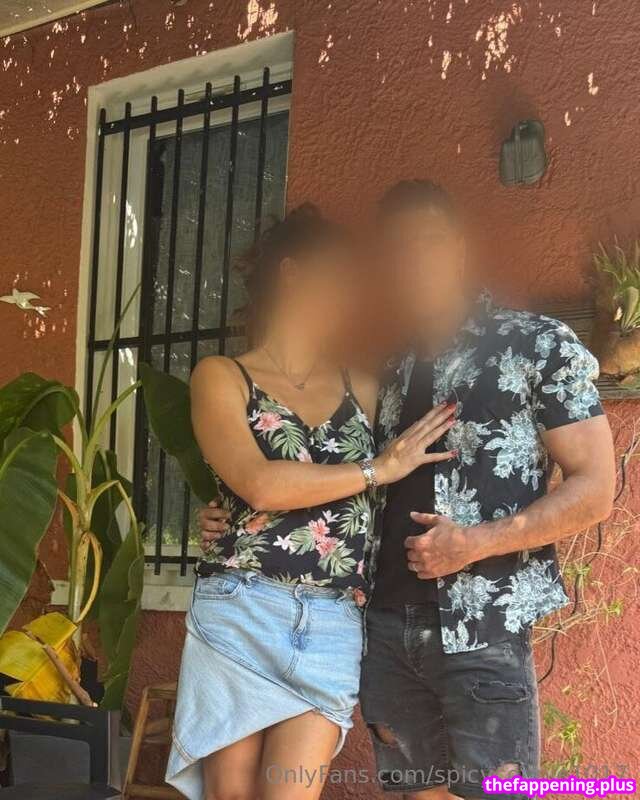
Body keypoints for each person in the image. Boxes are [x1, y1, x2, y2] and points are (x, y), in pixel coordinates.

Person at [199, 182, 616, 800]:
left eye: (429, 241)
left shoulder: (535, 343)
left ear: (459, 248)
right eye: (398, 248)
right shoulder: (387, 373)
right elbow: (323, 473)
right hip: (385, 631)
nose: (415, 259)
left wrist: (475, 543)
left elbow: (597, 489)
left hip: (482, 628)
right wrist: (229, 514)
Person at [166, 203, 458, 800]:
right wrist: (376, 468)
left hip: (332, 619)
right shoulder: (221, 376)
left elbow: (407, 480)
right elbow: (259, 484)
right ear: (293, 273)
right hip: (242, 607)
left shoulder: (364, 386)